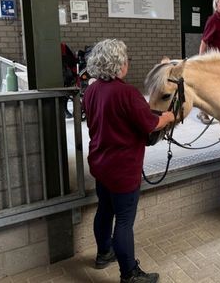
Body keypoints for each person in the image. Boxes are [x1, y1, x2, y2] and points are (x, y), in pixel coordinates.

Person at [82, 39, 175, 283]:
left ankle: (104, 253)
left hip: (100, 165)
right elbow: (150, 123)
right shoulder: (127, 92)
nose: (127, 63)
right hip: (123, 169)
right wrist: (168, 116)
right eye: (126, 59)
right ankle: (129, 274)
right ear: (119, 64)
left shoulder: (91, 90)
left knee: (104, 209)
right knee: (124, 222)